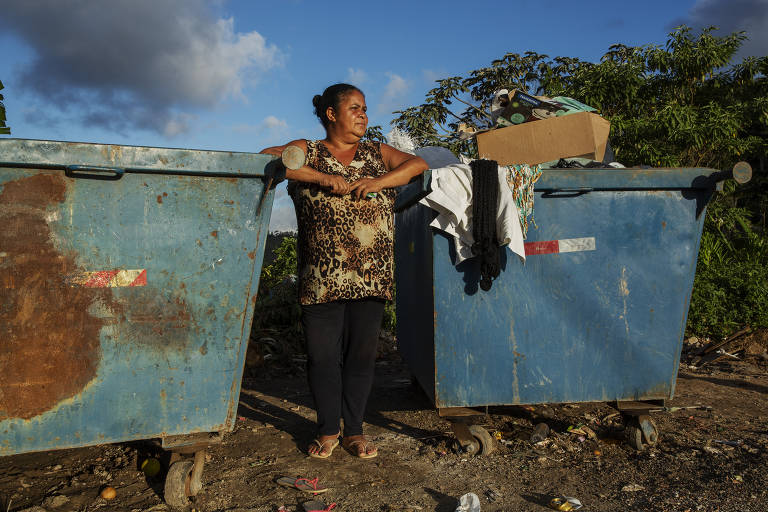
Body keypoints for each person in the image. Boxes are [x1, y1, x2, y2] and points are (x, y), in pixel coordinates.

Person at [260, 84, 427, 459]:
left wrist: (378, 181)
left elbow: (418, 165)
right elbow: (271, 159)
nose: (363, 115)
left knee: (361, 357)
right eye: (354, 108)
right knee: (322, 358)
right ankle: (327, 430)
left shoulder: (376, 152)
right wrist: (320, 178)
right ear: (331, 114)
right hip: (322, 278)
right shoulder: (311, 150)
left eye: (365, 108)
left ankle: (353, 431)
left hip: (371, 275)